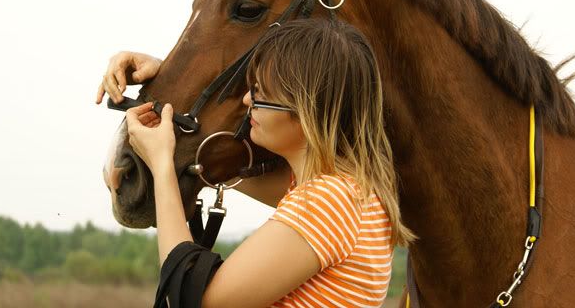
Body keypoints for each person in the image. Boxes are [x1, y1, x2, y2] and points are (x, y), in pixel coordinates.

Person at [97, 19, 415, 307]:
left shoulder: (329, 200)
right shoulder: (358, 190)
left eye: (259, 91)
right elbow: (218, 160)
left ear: (306, 109)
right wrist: (170, 82)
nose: (247, 100)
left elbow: (200, 299)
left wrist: (162, 164)